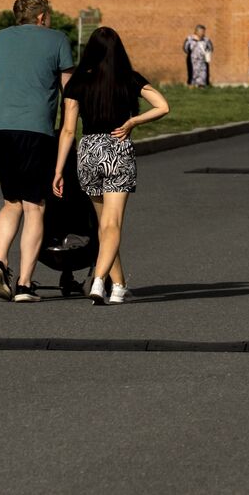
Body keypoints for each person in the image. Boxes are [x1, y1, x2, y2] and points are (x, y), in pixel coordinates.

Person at [53, 27, 169, 305]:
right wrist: (132, 122)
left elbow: (68, 131)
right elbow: (163, 106)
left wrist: (58, 170)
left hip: (89, 153)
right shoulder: (129, 78)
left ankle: (118, 285)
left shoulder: (77, 82)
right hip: (117, 151)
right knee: (113, 224)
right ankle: (99, 281)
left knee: (104, 225)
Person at [0, 0, 75, 303]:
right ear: (41, 17)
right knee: (35, 205)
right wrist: (66, 128)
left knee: (12, 201)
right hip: (35, 128)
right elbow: (68, 89)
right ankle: (24, 284)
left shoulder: (1, 38)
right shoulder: (57, 39)